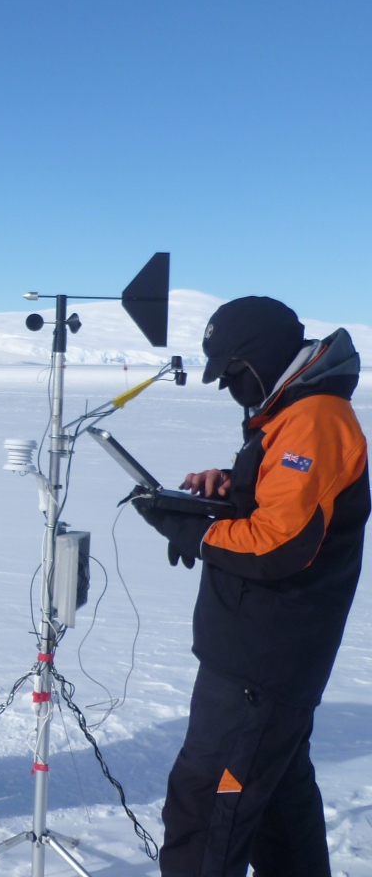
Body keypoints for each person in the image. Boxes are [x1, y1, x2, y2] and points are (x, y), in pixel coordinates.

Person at [131, 296, 370, 877]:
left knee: (207, 810)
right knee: (278, 808)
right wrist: (230, 488)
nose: (227, 386)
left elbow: (279, 545)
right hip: (262, 656)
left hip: (261, 664)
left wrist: (195, 532)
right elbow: (285, 504)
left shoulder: (314, 420)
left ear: (260, 356)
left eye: (231, 371)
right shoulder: (291, 413)